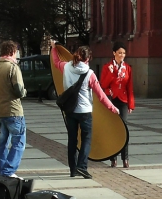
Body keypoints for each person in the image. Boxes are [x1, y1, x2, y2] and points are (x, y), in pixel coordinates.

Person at [50, 40, 119, 179]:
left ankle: (72, 169)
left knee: (72, 140)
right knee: (86, 139)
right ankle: (82, 166)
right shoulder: (90, 74)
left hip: (70, 111)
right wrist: (113, 108)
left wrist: (53, 48)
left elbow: (56, 61)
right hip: (85, 112)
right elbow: (100, 95)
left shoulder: (66, 67)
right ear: (88, 58)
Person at [0, 40, 27, 179]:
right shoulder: (13, 68)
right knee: (19, 142)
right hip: (14, 111)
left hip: (0, 111)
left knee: (3, 143)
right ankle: (8, 171)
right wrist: (24, 92)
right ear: (12, 52)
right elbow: (18, 90)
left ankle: (2, 170)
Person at [100, 41, 135, 168]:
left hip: (123, 101)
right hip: (111, 100)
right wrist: (110, 73)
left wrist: (131, 104)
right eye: (119, 53)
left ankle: (125, 158)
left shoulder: (128, 68)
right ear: (114, 53)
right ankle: (113, 158)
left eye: (124, 53)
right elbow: (103, 85)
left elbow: (130, 86)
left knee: (124, 129)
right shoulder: (106, 67)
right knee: (112, 129)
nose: (122, 55)